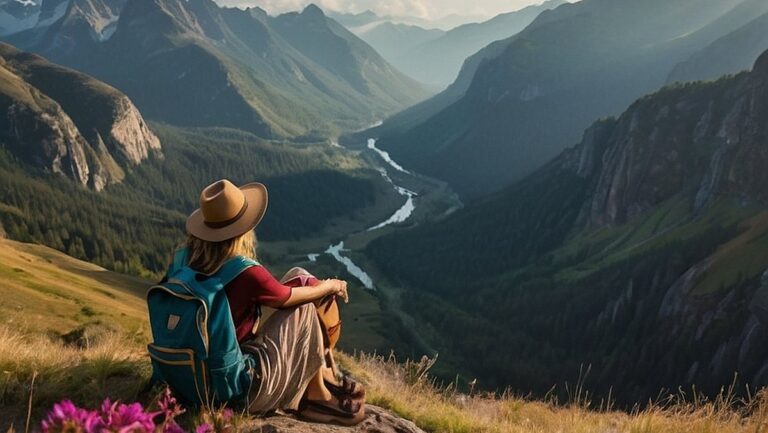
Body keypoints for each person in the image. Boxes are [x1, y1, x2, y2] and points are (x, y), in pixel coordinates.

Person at [184, 179, 366, 425]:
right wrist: (331, 285)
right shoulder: (245, 272)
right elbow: (290, 299)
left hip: (199, 378)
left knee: (297, 274)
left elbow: (284, 290)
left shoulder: (187, 262)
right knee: (304, 308)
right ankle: (317, 397)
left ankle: (324, 372)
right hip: (242, 389)